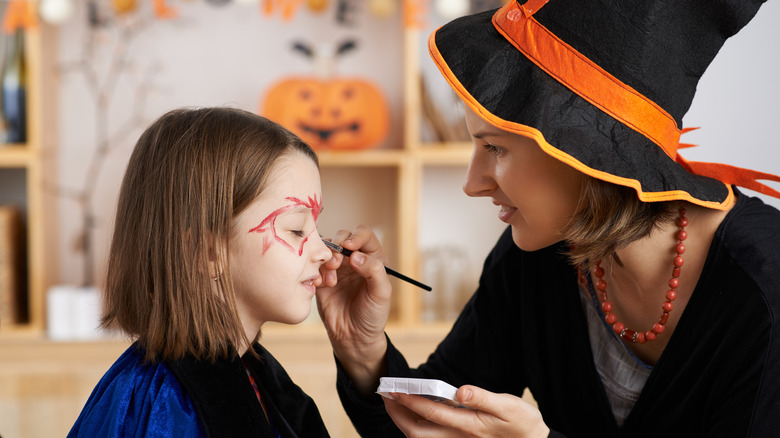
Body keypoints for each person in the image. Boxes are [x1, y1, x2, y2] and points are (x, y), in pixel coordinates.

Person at [316, 0, 780, 437]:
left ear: (585, 153)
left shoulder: (765, 290)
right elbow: (433, 426)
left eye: (495, 147)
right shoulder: (538, 254)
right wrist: (361, 349)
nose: (473, 183)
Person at [69, 107, 333, 437]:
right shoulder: (169, 406)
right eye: (296, 229)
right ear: (207, 253)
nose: (324, 252)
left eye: (318, 229)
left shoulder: (258, 376)